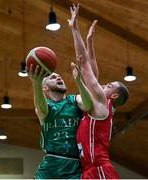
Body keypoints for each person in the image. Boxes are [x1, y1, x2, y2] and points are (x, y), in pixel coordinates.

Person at [68, 4, 129, 179]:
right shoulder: (101, 106)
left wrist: (74, 29)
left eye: (109, 86)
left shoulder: (102, 104)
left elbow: (85, 64)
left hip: (99, 170)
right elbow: (92, 66)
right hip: (89, 171)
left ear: (114, 95)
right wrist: (89, 41)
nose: (103, 84)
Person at [27, 62, 92, 179]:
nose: (58, 77)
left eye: (59, 77)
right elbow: (41, 108)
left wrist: (79, 82)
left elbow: (88, 105)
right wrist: (36, 84)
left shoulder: (74, 100)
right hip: (51, 164)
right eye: (52, 77)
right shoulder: (46, 106)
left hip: (74, 165)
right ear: (45, 88)